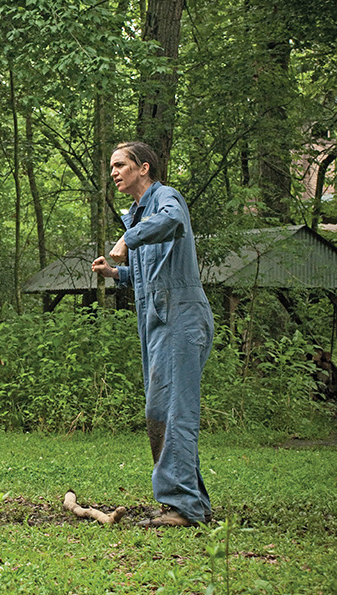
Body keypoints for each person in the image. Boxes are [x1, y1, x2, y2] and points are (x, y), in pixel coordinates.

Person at [91, 141, 214, 527]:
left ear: (143, 168)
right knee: (160, 410)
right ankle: (188, 501)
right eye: (111, 167)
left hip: (181, 317)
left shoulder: (166, 199)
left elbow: (174, 221)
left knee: (176, 410)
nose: (113, 172)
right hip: (157, 320)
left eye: (120, 165)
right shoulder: (140, 213)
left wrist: (130, 238)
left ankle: (182, 507)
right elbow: (149, 274)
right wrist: (116, 274)